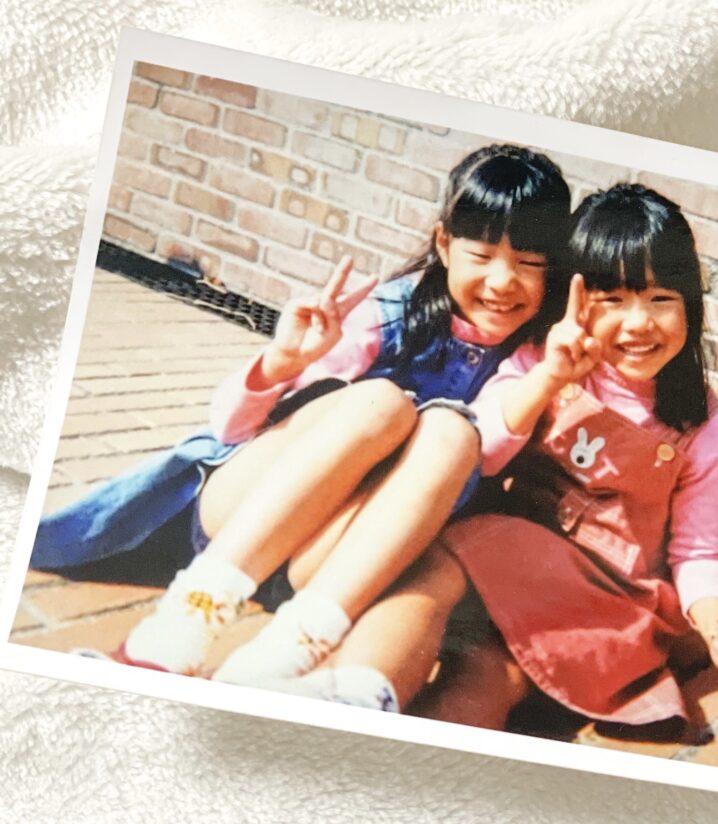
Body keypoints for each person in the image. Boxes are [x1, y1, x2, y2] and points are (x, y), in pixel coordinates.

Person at [31, 145, 572, 699]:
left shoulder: (532, 359)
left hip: (327, 565)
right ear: (443, 244)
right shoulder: (385, 314)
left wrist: (547, 380)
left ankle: (286, 654)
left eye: (529, 264)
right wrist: (283, 364)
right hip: (245, 516)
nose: (503, 281)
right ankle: (173, 632)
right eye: (481, 255)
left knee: (455, 434)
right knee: (380, 403)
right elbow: (230, 431)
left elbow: (488, 453)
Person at [268, 182, 718, 727]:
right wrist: (548, 380)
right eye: (612, 300)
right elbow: (482, 454)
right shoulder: (540, 363)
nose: (639, 322)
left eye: (661, 300)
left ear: (691, 306)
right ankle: (355, 696)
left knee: (491, 659)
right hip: (503, 569)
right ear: (575, 302)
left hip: (607, 604)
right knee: (454, 619)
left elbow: (699, 551)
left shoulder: (704, 432)